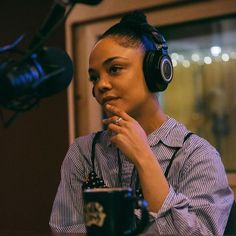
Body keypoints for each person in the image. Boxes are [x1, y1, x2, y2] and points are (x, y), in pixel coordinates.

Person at [49, 11, 234, 235]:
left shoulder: (198, 157)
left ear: (154, 71)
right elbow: (64, 230)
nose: (101, 85)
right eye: (95, 77)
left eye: (114, 69)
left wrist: (144, 157)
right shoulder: (83, 153)